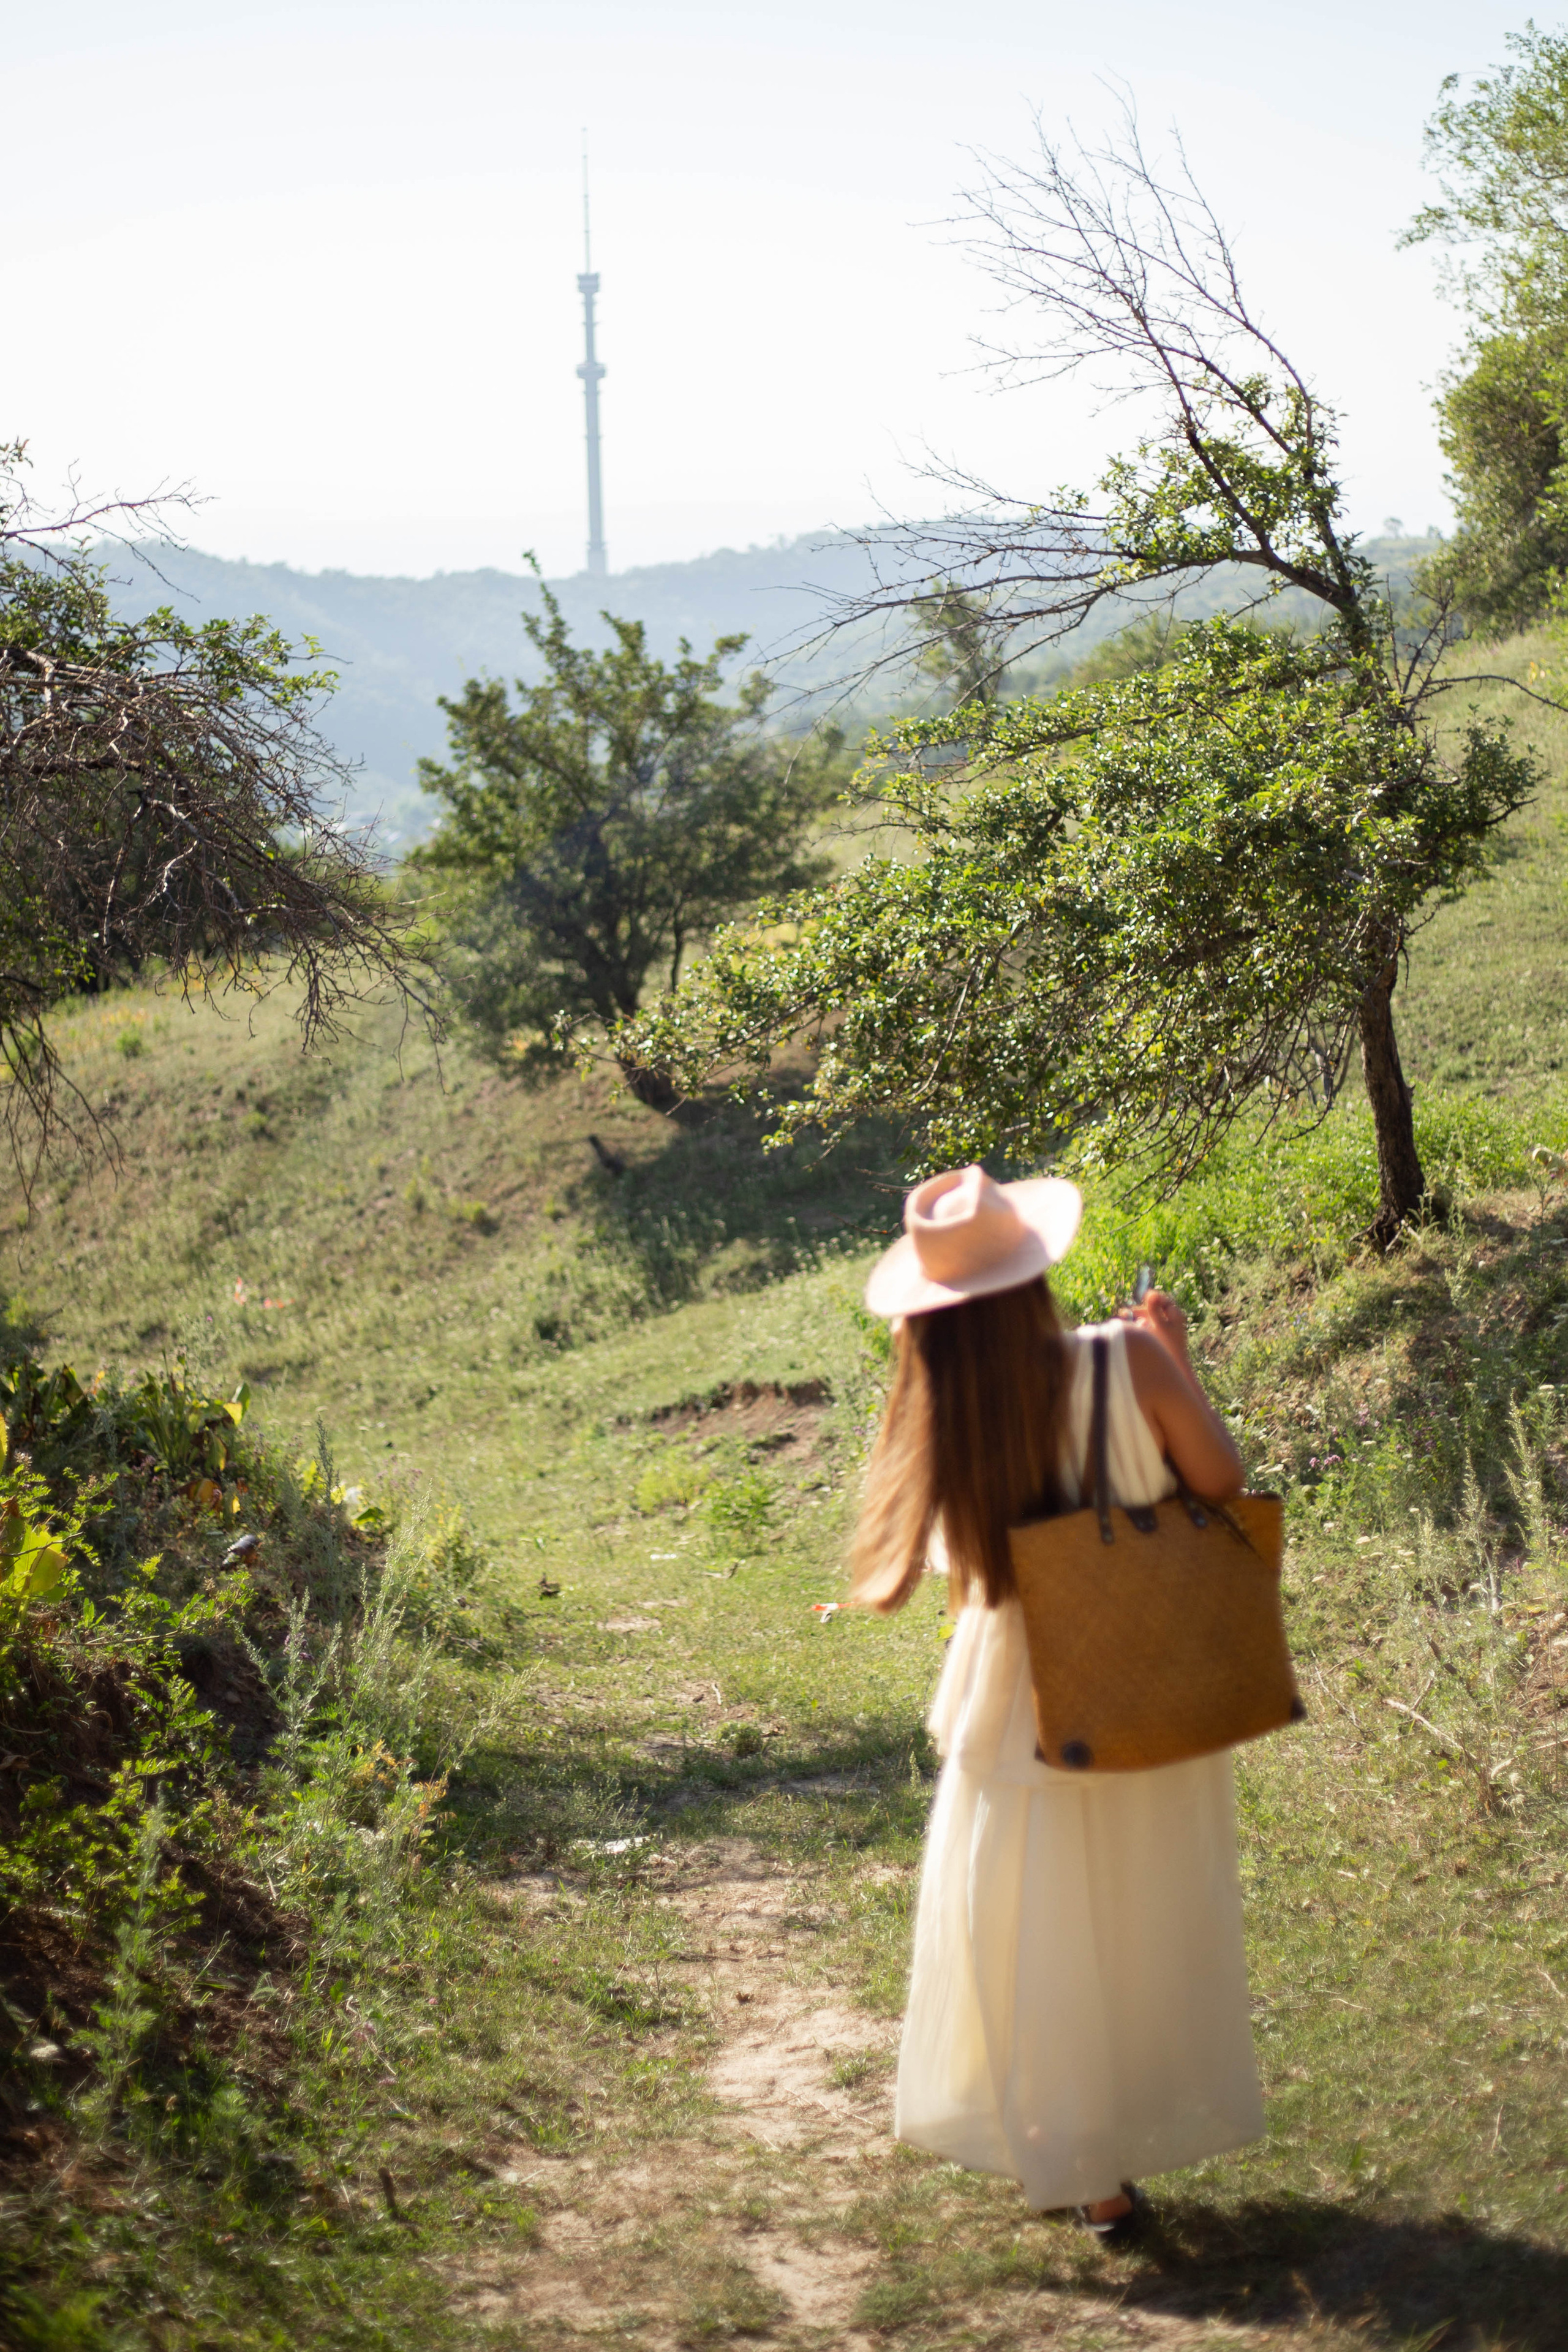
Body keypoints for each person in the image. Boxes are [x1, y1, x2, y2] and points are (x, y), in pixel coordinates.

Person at [852, 1164, 1264, 2239]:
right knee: (1139, 1900)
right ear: (1034, 1276)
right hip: (1141, 1668)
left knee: (1033, 1917)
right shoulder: (1122, 1359)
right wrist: (1171, 1359)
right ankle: (1120, 2125)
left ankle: (1080, 2160)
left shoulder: (944, 1411)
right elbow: (1218, 1482)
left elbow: (967, 1569)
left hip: (1015, 1688)